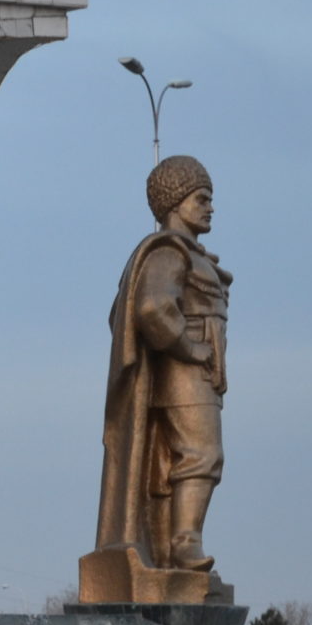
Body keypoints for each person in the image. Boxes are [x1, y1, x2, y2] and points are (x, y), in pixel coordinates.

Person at [92, 154, 232, 575]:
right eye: (201, 198)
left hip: (199, 373)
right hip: (184, 374)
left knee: (174, 463)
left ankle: (172, 553)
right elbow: (152, 308)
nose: (210, 207)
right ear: (175, 201)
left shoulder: (189, 254)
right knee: (202, 455)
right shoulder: (169, 252)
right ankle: (185, 543)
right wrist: (190, 349)